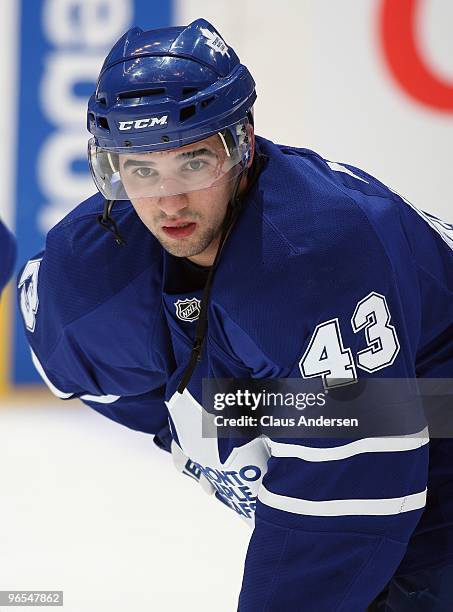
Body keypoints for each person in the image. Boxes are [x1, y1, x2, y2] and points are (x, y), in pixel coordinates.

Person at [17, 18, 453, 611]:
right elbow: (77, 358)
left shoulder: (316, 252)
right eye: (142, 169)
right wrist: (208, 417)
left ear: (243, 143)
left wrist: (240, 413)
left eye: (193, 162)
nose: (169, 202)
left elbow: (352, 502)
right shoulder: (90, 275)